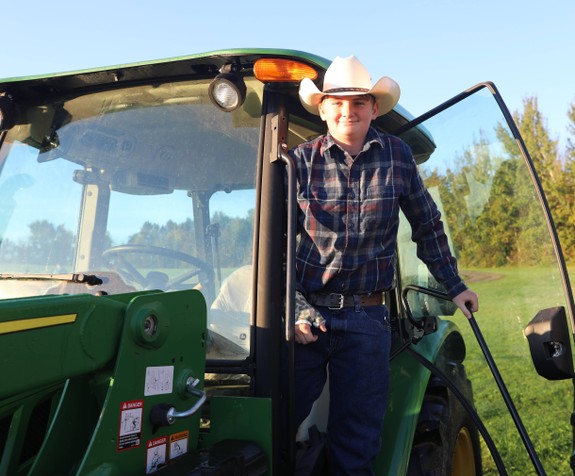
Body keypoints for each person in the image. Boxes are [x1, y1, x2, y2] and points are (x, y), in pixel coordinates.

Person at [288, 56, 479, 475]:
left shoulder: (396, 156)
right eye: (336, 103)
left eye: (358, 102)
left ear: (374, 108)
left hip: (366, 317)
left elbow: (426, 224)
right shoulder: (299, 162)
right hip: (310, 315)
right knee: (275, 420)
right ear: (322, 108)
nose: (347, 112)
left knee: (357, 441)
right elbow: (276, 247)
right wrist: (296, 308)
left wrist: (454, 285)